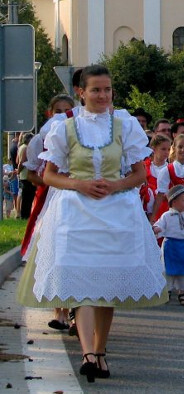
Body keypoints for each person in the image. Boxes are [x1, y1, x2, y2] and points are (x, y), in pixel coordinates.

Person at [16, 65, 167, 383]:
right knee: (82, 285)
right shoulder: (64, 127)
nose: (103, 95)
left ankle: (100, 350)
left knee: (106, 286)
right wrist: (79, 185)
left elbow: (140, 173)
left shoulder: (124, 124)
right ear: (81, 93)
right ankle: (87, 353)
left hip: (115, 213)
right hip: (76, 213)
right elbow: (49, 174)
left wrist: (114, 185)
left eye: (107, 90)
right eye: (96, 90)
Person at [21, 94, 75, 331]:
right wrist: (47, 181)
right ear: (50, 113)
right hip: (50, 198)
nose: (62, 114)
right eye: (57, 110)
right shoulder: (41, 139)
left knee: (75, 253)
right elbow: (30, 173)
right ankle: (59, 311)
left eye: (67, 110)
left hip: (77, 197)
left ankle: (76, 310)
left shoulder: (80, 136)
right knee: (54, 252)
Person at [153, 185, 184, 306]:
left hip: (183, 247)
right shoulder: (167, 216)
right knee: (168, 270)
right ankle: (167, 291)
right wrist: (156, 229)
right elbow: (160, 225)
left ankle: (182, 292)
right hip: (170, 245)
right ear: (174, 202)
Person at [140, 135, 171, 215]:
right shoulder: (145, 167)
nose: (166, 152)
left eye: (168, 149)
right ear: (153, 149)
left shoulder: (171, 168)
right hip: (145, 208)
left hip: (165, 208)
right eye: (163, 149)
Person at [16, 132, 36, 219]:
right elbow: (22, 162)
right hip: (26, 174)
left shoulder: (20, 147)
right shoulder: (26, 148)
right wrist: (19, 171)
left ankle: (25, 214)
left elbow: (17, 160)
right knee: (28, 196)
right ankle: (25, 215)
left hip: (22, 175)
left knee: (25, 195)